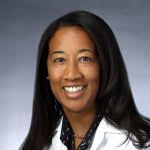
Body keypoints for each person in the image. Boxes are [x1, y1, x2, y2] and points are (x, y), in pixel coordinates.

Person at [20, 10, 150, 150]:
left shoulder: (142, 143)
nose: (72, 74)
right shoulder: (39, 144)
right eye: (60, 60)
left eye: (85, 59)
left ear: (105, 66)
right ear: (46, 71)